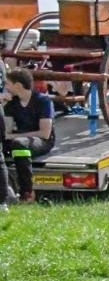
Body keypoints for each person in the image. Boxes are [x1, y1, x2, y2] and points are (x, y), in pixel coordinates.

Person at [4, 68, 56, 202]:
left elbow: (45, 133)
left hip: (42, 141)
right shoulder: (11, 104)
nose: (6, 87)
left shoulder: (43, 101)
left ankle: (27, 192)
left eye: (7, 84)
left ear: (18, 85)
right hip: (19, 138)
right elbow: (7, 130)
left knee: (19, 144)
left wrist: (14, 137)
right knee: (14, 143)